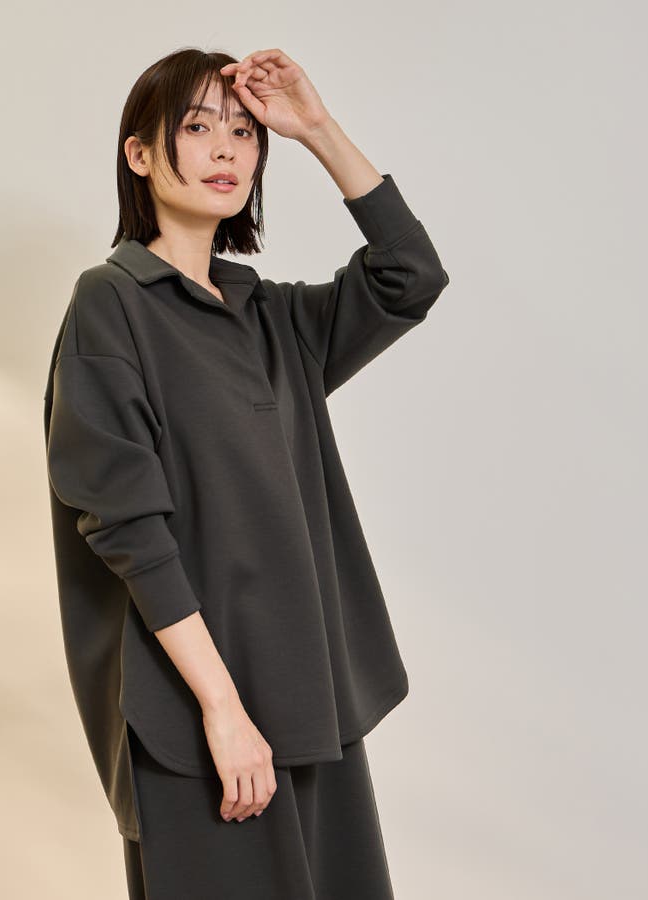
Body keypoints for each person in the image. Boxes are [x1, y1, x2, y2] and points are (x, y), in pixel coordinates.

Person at [43, 46, 450, 900]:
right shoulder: (110, 303)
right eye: (196, 127)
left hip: (310, 703)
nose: (227, 148)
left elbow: (411, 276)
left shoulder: (273, 317)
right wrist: (223, 712)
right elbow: (128, 529)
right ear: (139, 154)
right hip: (196, 723)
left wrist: (316, 128)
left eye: (243, 131)